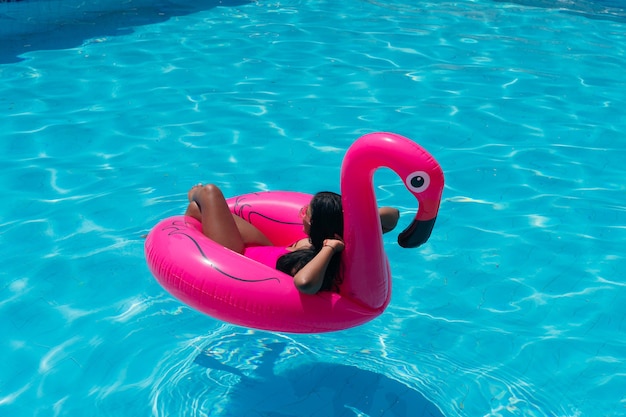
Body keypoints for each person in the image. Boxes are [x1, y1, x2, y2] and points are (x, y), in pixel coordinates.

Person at [185, 184, 399, 295]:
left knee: (207, 194)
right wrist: (350, 217)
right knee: (198, 211)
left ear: (318, 225)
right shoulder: (341, 235)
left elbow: (305, 284)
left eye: (307, 212)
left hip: (234, 256)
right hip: (262, 248)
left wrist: (329, 249)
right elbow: (393, 215)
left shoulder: (315, 259)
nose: (302, 213)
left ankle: (193, 194)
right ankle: (187, 231)